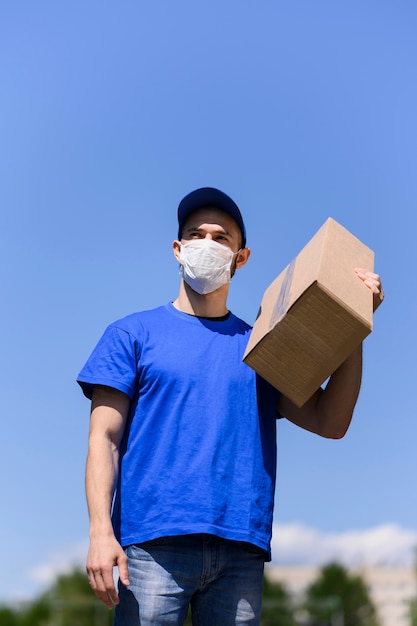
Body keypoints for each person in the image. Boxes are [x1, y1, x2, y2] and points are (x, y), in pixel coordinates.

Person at [77, 187, 384, 626]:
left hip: (241, 547)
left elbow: (329, 421)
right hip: (150, 545)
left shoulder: (260, 346)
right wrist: (99, 532)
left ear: (241, 257)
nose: (208, 244)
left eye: (221, 238)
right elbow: (102, 438)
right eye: (196, 234)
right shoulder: (131, 334)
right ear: (177, 249)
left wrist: (355, 324)